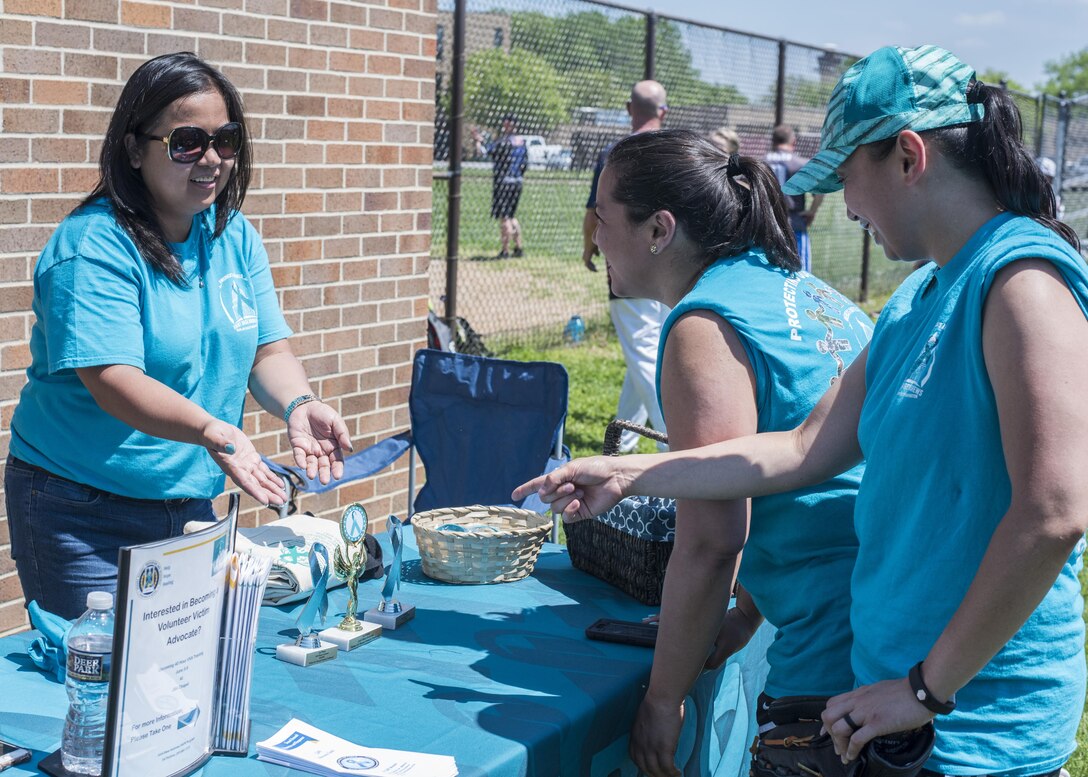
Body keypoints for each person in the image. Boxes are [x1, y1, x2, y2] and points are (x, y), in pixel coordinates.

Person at [517, 45, 1088, 777]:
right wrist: (631, 472)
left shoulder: (1021, 281)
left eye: (849, 175)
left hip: (970, 726)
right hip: (883, 706)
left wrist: (925, 686)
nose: (846, 204)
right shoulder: (918, 297)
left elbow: (1053, 510)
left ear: (909, 156)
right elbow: (799, 449)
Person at [5, 52, 353, 620]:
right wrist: (216, 432)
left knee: (177, 678)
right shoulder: (91, 247)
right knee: (103, 687)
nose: (212, 159)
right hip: (80, 510)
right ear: (135, 149)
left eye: (227, 139)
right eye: (187, 141)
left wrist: (299, 402)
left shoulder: (233, 234)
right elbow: (114, 380)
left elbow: (267, 349)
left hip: (188, 503)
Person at [589, 127, 876, 777]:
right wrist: (745, 611)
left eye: (602, 216)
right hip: (888, 624)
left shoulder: (702, 326)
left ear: (659, 229)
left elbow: (714, 535)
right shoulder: (802, 288)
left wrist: (662, 699)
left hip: (832, 655)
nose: (595, 237)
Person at [583, 80, 671, 452]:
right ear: (663, 112)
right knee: (648, 348)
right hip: (671, 265)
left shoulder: (617, 152)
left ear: (628, 108)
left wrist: (588, 248)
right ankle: (622, 443)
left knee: (644, 352)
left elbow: (596, 211)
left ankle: (673, 440)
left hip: (628, 269)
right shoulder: (674, 149)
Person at [765, 124, 824, 272]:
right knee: (801, 273)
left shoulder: (760, 162)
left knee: (767, 273)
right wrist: (812, 211)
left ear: (772, 142)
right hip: (794, 223)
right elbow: (820, 192)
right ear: (793, 142)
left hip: (765, 226)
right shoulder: (801, 164)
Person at [472, 113, 527, 258]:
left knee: (504, 217)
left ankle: (505, 250)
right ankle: (519, 248)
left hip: (503, 183)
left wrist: (478, 141)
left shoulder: (503, 142)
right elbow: (525, 165)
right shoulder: (522, 142)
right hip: (517, 182)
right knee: (512, 216)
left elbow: (482, 153)